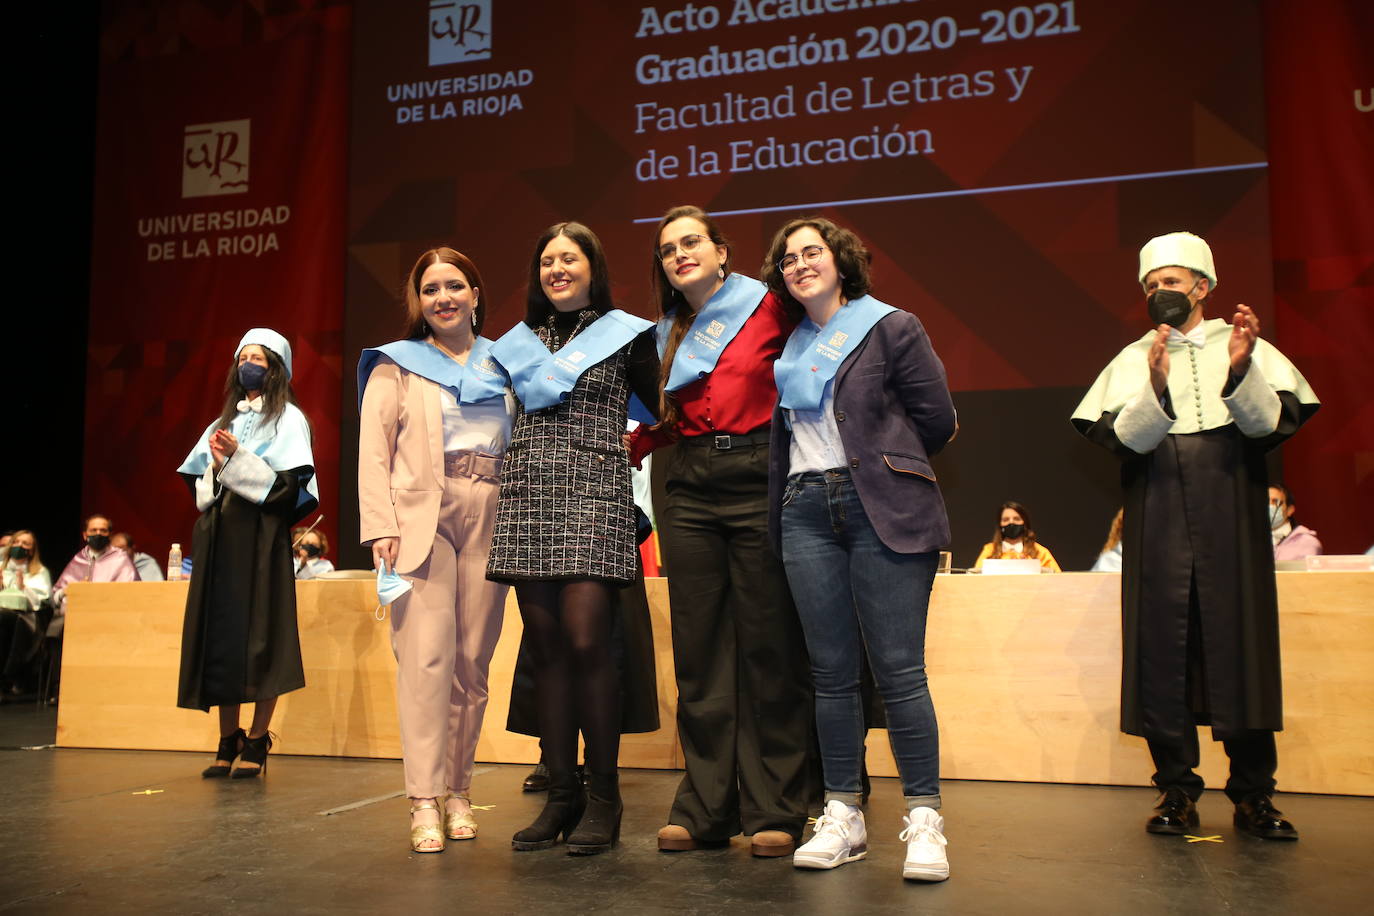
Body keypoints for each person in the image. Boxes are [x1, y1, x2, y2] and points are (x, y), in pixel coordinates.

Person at [1072, 231, 1319, 840]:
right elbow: (1123, 441)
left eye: (1172, 283)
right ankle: (1176, 793)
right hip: (1157, 513)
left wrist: (1239, 369)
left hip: (1230, 510)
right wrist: (1155, 385)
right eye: (1151, 286)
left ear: (1202, 288)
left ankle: (1254, 796)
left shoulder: (1244, 347)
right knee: (1163, 650)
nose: (1161, 293)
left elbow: (1269, 426)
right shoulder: (1134, 357)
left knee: (1241, 646)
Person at [761, 217, 957, 881]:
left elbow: (937, 420)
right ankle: (842, 813)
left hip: (883, 507)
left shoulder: (890, 326)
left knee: (900, 671)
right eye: (788, 259)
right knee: (830, 675)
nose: (799, 264)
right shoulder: (785, 348)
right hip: (804, 511)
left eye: (811, 252)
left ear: (840, 261)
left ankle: (925, 821)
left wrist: (883, 463)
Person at [628, 204, 815, 857]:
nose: (679, 254)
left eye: (690, 242)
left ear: (719, 251)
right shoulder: (660, 335)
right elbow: (653, 421)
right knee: (701, 649)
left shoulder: (767, 305)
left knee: (768, 645)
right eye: (667, 248)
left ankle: (777, 806)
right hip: (685, 482)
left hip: (758, 470)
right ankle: (706, 807)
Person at [486, 222, 659, 855]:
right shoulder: (517, 344)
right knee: (547, 646)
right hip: (530, 490)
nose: (557, 269)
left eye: (570, 258)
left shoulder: (629, 335)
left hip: (593, 492)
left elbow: (662, 412)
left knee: (588, 640)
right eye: (548, 261)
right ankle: (562, 796)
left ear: (593, 267)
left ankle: (605, 798)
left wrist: (636, 446)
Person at [358, 246, 515, 853]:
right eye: (431, 290)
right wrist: (381, 527)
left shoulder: (507, 363)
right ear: (418, 304)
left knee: (472, 662)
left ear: (476, 294)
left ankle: (458, 791)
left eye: (455, 285)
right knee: (426, 662)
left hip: (495, 510)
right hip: (421, 514)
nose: (444, 297)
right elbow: (374, 451)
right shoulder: (397, 365)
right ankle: (423, 798)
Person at [176, 329, 318, 778]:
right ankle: (227, 737)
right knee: (222, 637)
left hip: (259, 539)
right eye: (242, 357)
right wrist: (219, 467)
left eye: (258, 358)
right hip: (219, 538)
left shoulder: (290, 419)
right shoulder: (224, 423)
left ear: (276, 368)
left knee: (260, 637)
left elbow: (287, 491)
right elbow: (197, 481)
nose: (248, 365)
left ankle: (257, 738)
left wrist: (238, 461)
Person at [52, 514, 137, 635]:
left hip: (111, 622)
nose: (98, 533)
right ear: (85, 535)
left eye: (103, 530)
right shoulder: (79, 558)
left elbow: (132, 593)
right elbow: (56, 595)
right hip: (75, 622)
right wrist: (69, 590)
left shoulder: (121, 559)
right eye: (93, 530)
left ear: (110, 535)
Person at [0, 530, 52, 696]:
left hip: (26, 617)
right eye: (16, 542)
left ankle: (7, 676)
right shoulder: (1, 567)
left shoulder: (39, 571)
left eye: (25, 544)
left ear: (31, 550)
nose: (19, 546)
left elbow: (42, 602)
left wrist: (24, 587)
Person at [972, 501, 1061, 571]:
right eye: (1006, 519)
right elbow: (975, 579)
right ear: (1000, 525)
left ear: (1024, 523)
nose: (1011, 522)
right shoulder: (989, 550)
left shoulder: (1040, 552)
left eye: (1017, 519)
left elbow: (1057, 579)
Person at [1268, 485, 1322, 561]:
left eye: (1275, 501)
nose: (1269, 506)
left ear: (1289, 510)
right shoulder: (1248, 540)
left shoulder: (1307, 543)